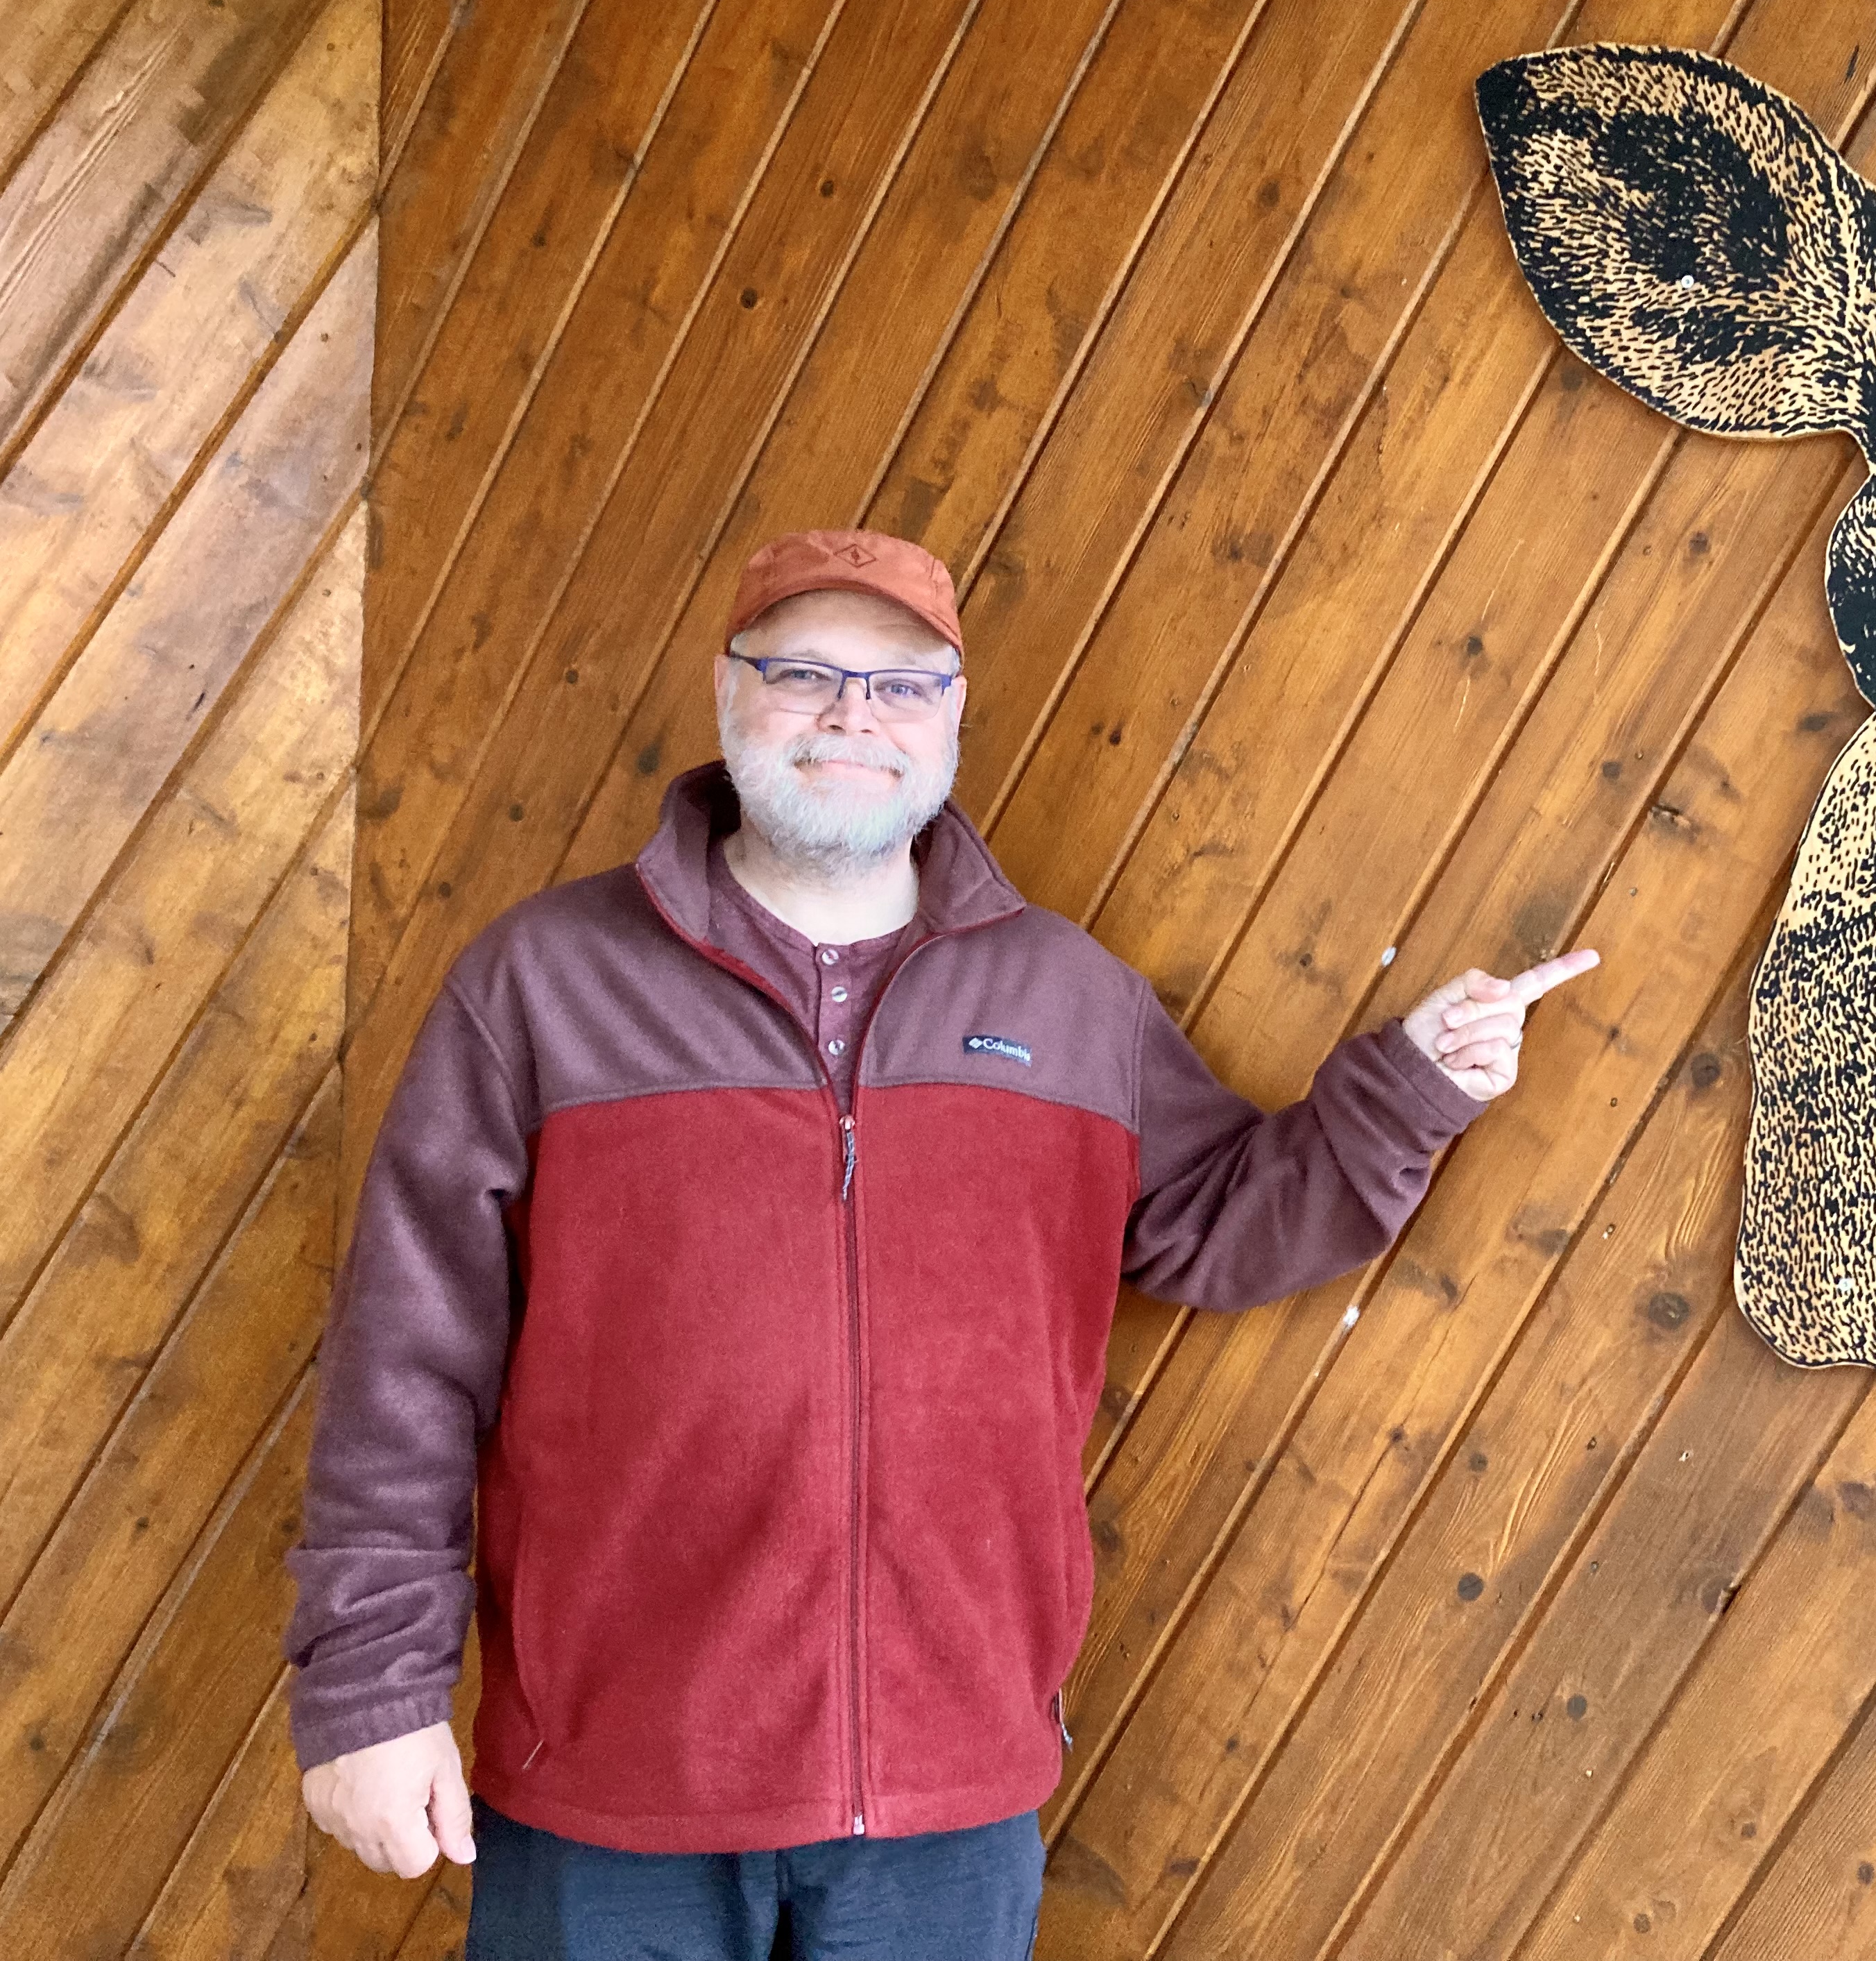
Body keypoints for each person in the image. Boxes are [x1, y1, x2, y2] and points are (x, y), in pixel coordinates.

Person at [282, 527, 1598, 1960]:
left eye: (902, 685)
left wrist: (1413, 1085)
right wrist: (370, 1694)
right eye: (803, 672)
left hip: (947, 1803)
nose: (854, 715)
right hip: (615, 1788)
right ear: (729, 693)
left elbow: (1220, 1219)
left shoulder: (1072, 1001)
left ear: (954, 717)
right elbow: (405, 1361)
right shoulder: (542, 984)